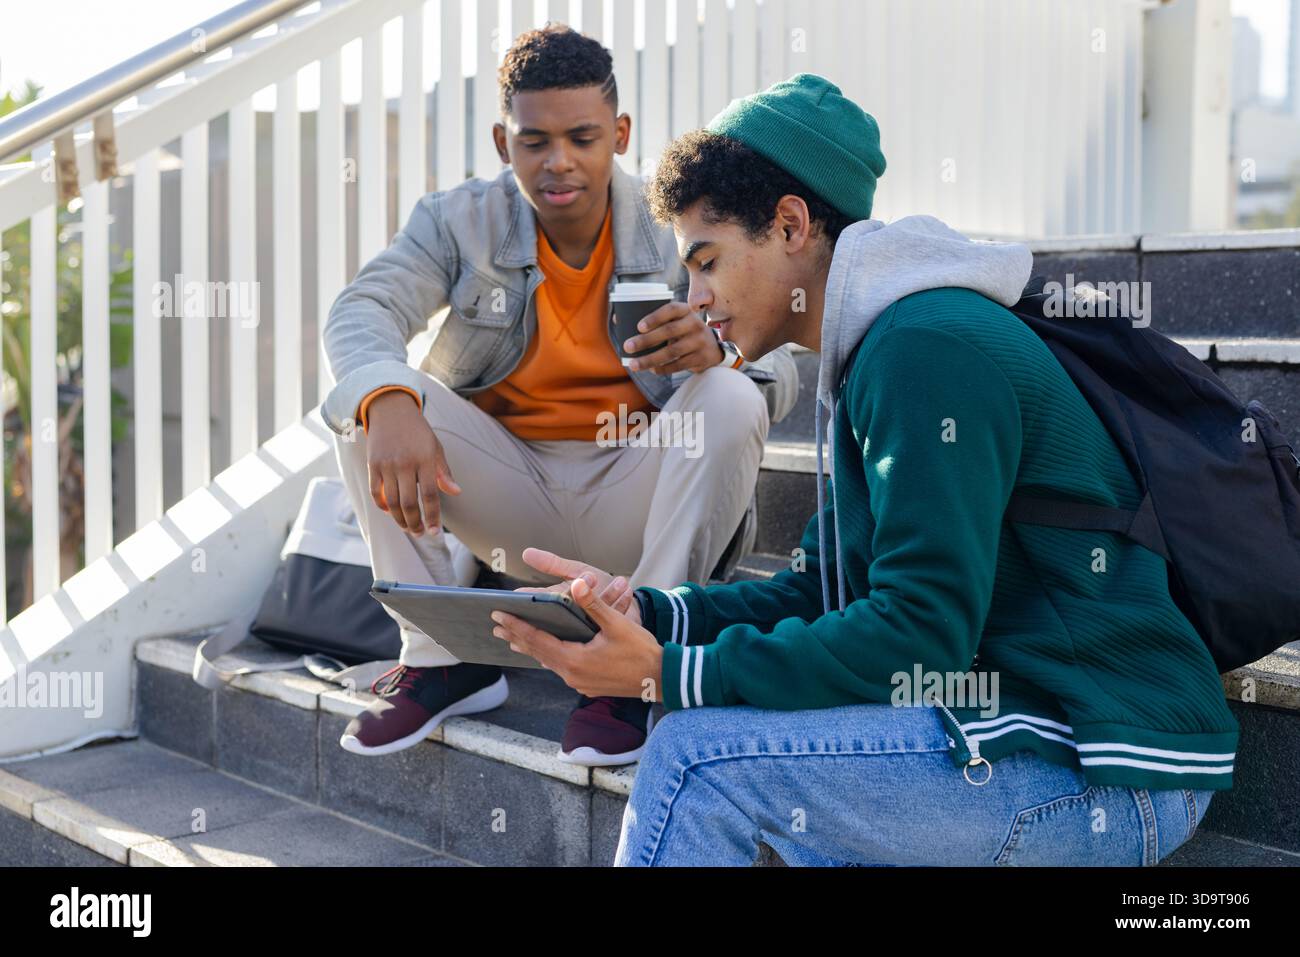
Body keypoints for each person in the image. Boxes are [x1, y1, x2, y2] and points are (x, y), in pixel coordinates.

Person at [490, 74, 1238, 865]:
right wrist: (649, 615)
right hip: (1022, 731)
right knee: (759, 758)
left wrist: (677, 674)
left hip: (1108, 769)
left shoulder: (926, 348)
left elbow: (921, 636)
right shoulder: (884, 345)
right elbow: (821, 587)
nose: (695, 297)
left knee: (696, 760)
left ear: (789, 225)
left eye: (706, 261)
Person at [319, 25, 797, 766]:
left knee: (733, 397)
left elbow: (789, 344)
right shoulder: (457, 220)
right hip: (512, 498)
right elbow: (362, 310)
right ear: (502, 141)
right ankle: (443, 657)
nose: (559, 161)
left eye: (582, 136)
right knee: (369, 402)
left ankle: (637, 656)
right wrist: (386, 400)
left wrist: (727, 348)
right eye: (534, 141)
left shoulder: (675, 223)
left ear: (621, 134)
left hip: (633, 498)